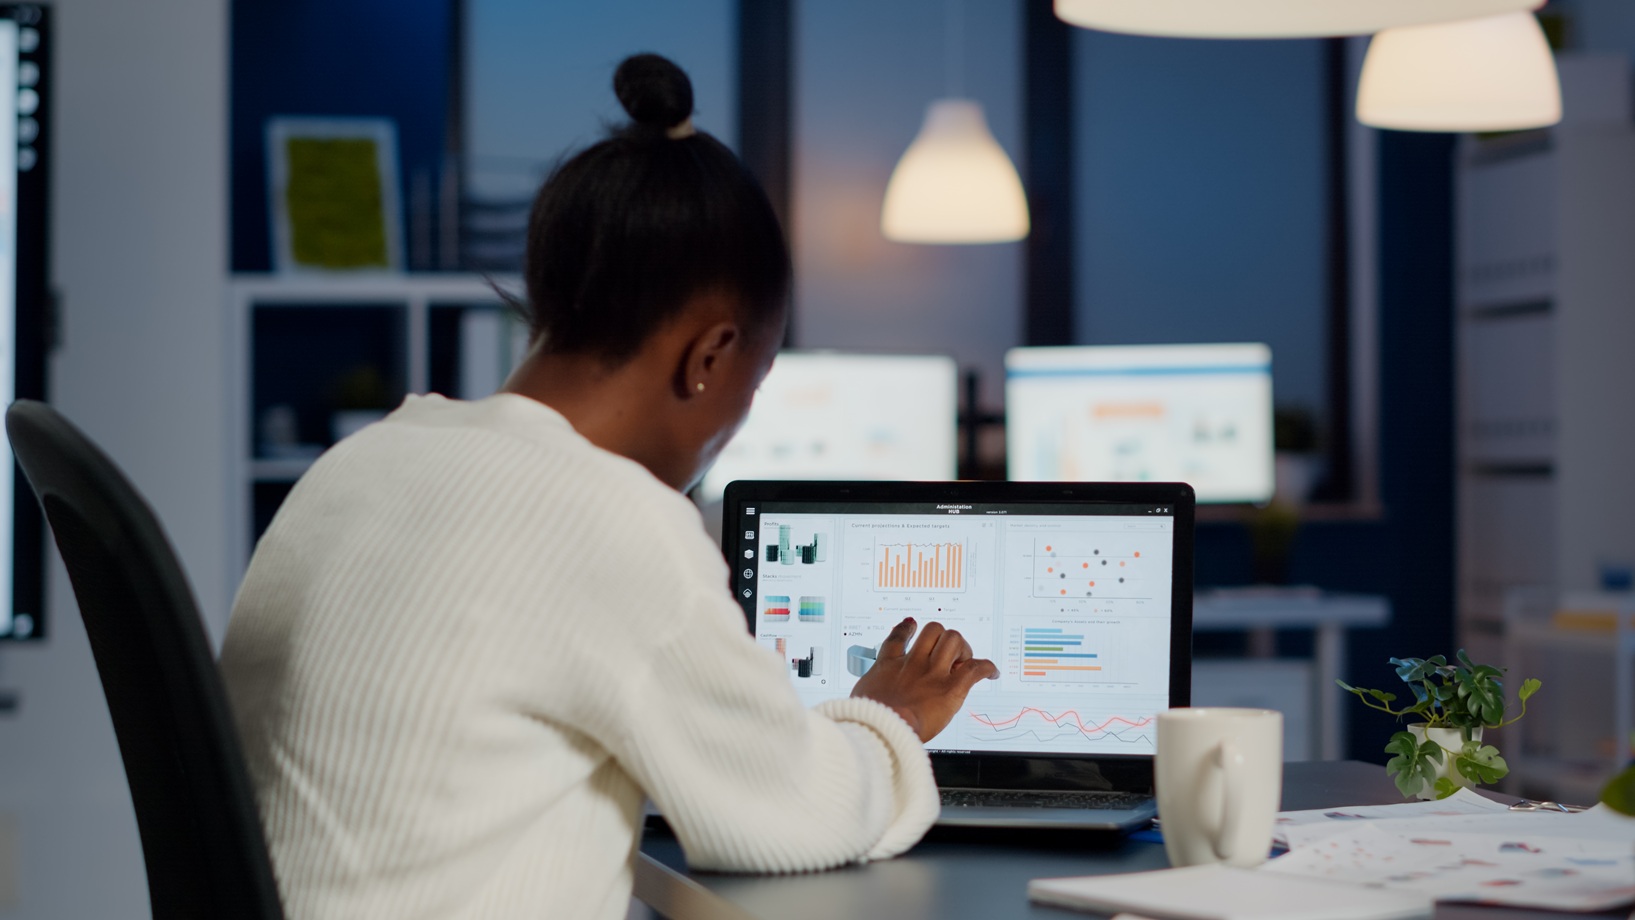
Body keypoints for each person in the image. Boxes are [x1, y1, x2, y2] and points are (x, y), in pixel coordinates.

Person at [219, 53, 998, 920]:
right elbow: (793, 820)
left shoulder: (363, 461)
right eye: (756, 378)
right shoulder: (615, 521)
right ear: (709, 357)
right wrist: (891, 718)